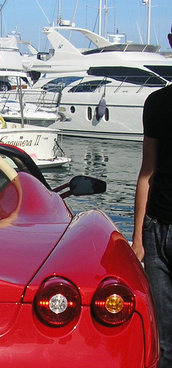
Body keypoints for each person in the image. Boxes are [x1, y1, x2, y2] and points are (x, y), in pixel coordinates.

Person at [132, 33, 172, 367]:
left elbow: (147, 173)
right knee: (162, 340)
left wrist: (139, 238)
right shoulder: (156, 104)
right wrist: (138, 239)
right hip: (156, 233)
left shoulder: (157, 103)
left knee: (165, 342)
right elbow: (147, 173)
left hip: (157, 231)